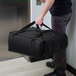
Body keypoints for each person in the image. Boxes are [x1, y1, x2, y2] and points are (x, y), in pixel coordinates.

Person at [35, 0, 72, 76]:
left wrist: (41, 16)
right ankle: (57, 62)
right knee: (58, 41)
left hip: (59, 16)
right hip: (67, 11)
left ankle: (59, 71)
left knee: (58, 43)